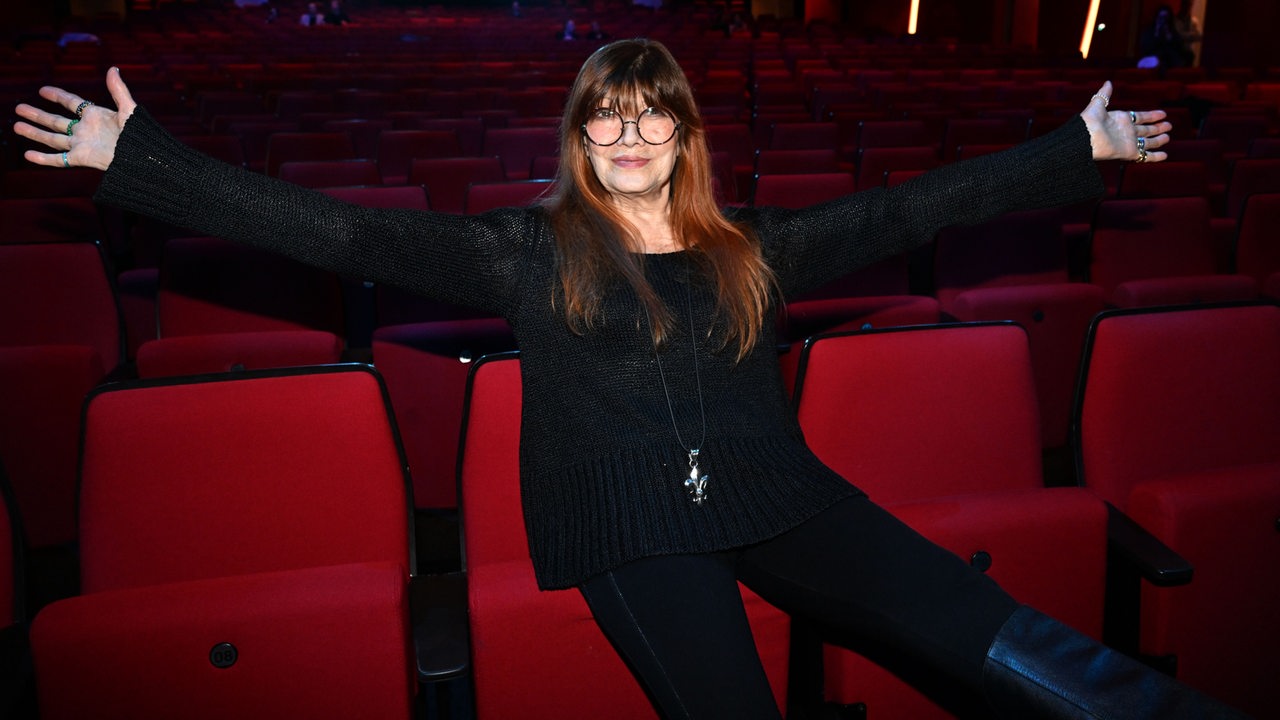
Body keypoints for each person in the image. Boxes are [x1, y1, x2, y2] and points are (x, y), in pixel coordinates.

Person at [14, 39, 1244, 720]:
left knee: (984, 630)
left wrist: (1069, 149)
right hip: (626, 521)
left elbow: (911, 206)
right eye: (606, 118)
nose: (630, 135)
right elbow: (340, 237)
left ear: (683, 135)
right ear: (580, 139)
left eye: (652, 114)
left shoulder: (752, 244)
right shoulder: (523, 249)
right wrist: (149, 164)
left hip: (779, 492)